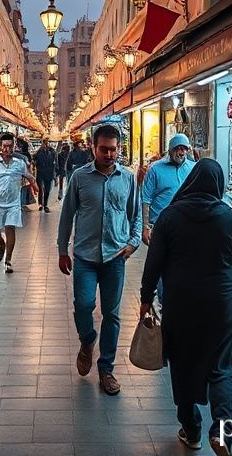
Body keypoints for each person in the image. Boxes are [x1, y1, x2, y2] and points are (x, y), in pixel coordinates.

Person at [139, 159, 232, 455]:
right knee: (224, 367)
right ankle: (221, 430)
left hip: (180, 304)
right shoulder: (231, 219)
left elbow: (153, 262)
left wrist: (145, 298)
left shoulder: (169, 217)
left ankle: (191, 430)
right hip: (221, 306)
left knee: (182, 364)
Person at [57, 124, 141, 396]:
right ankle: (87, 339)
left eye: (113, 149)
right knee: (83, 305)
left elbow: (135, 214)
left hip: (115, 257)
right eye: (103, 149)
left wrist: (133, 242)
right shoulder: (79, 177)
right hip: (85, 256)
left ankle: (106, 369)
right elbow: (67, 214)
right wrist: (62, 250)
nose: (109, 154)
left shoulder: (127, 178)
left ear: (119, 149)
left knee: (112, 315)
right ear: (93, 148)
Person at [141, 133, 195, 305]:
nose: (181, 152)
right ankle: (164, 303)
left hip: (186, 226)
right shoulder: (155, 169)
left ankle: (177, 301)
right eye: (178, 148)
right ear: (171, 150)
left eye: (184, 149)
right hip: (160, 226)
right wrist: (145, 226)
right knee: (160, 264)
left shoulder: (193, 168)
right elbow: (145, 199)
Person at [0, 132, 38, 273]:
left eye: (10, 146)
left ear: (14, 146)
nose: (7, 149)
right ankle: (2, 245)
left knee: (10, 228)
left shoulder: (19, 163)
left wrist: (34, 185)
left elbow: (29, 176)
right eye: (5, 146)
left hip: (13, 203)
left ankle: (8, 260)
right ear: (0, 147)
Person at [34, 137, 56, 212]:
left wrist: (54, 175)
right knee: (40, 189)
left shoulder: (52, 152)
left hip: (48, 173)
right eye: (44, 143)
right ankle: (40, 204)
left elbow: (54, 162)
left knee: (47, 190)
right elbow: (34, 158)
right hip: (40, 173)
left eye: (47, 143)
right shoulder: (39, 152)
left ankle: (45, 204)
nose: (45, 144)